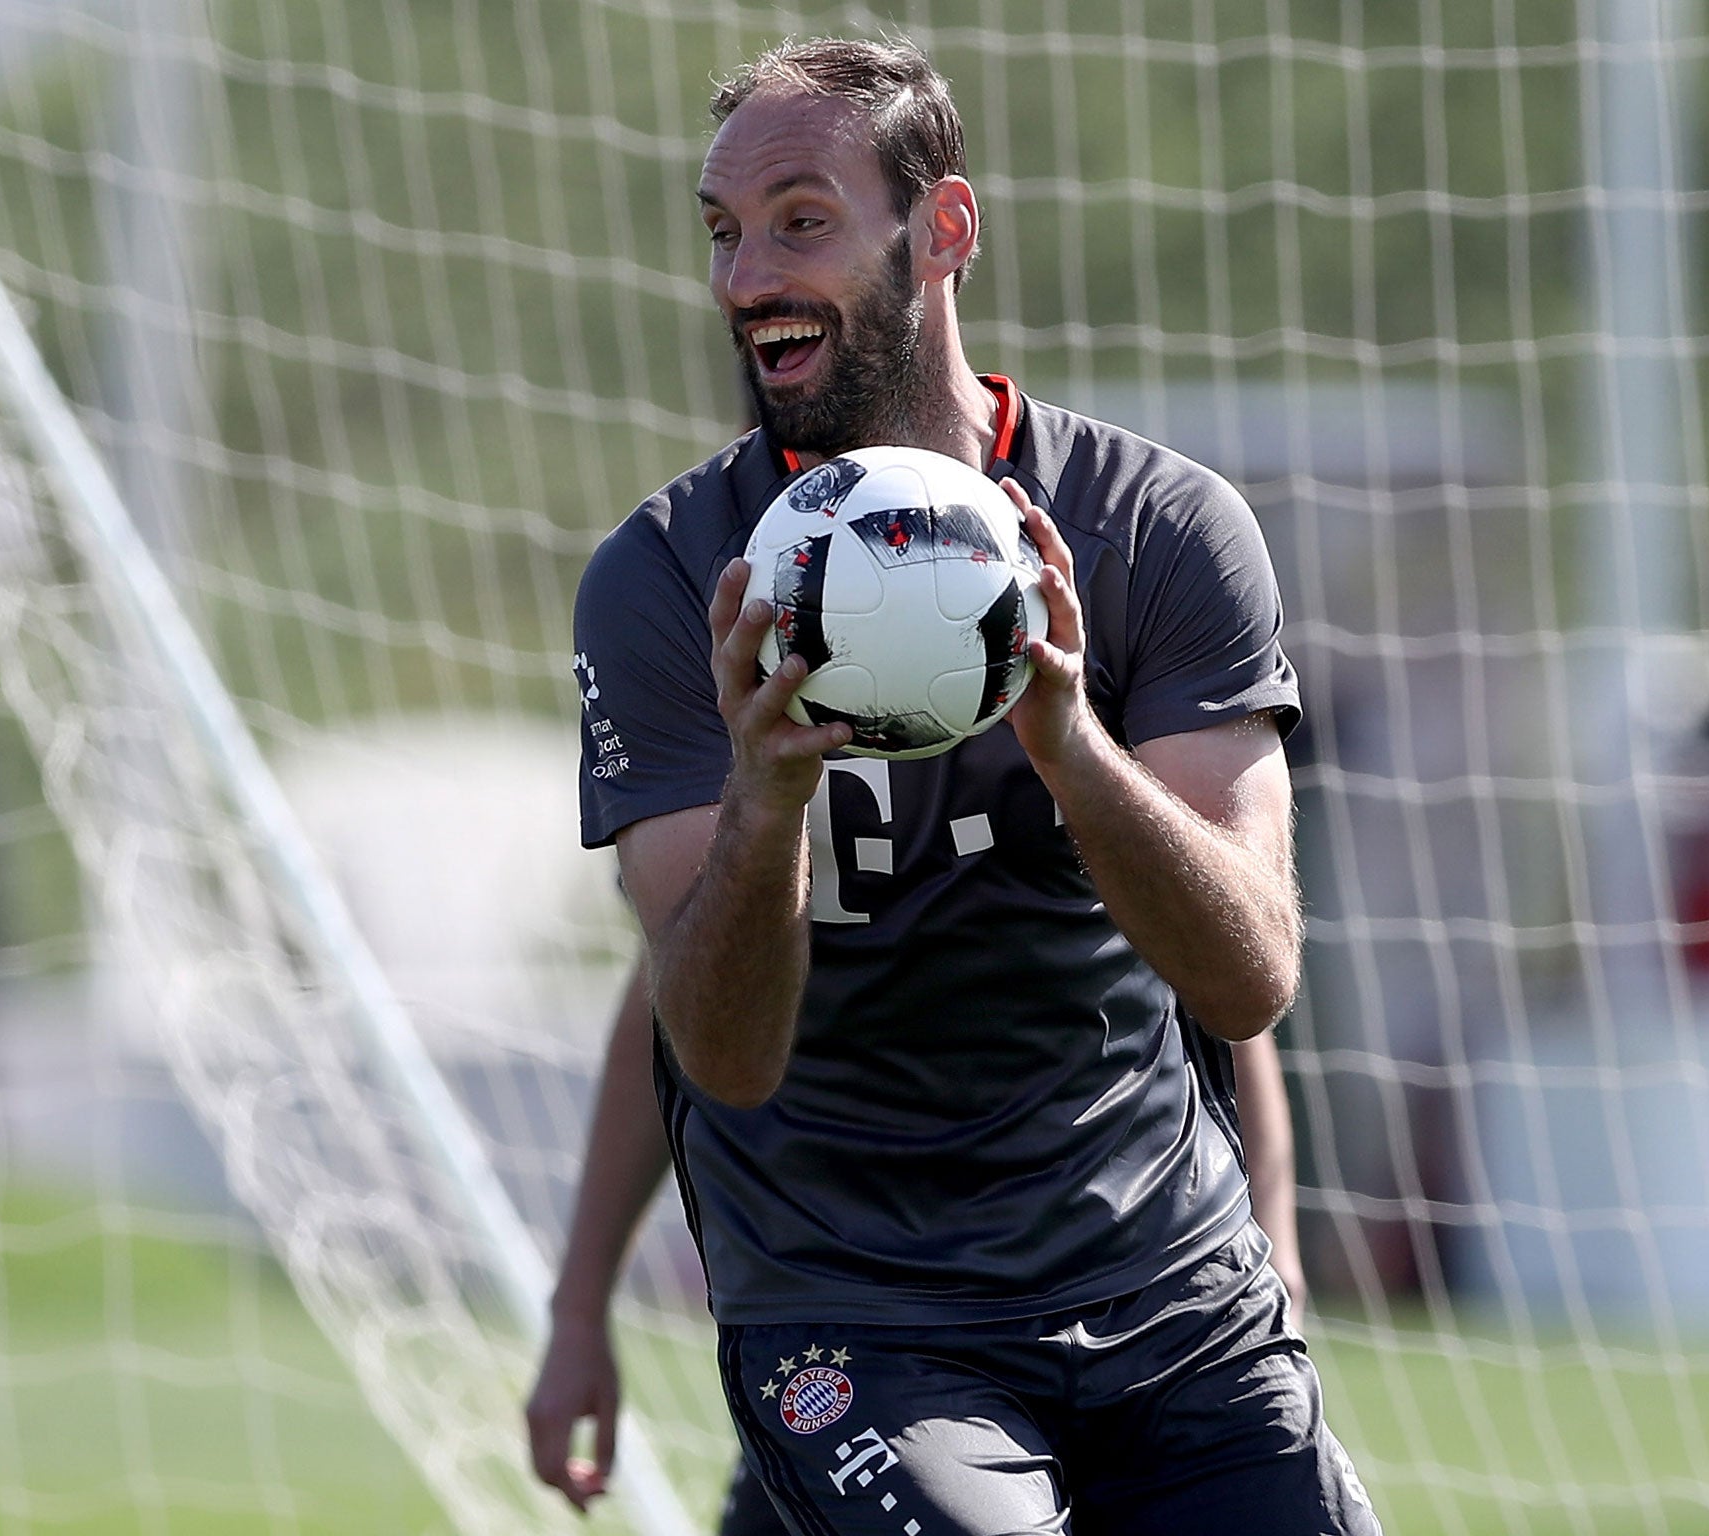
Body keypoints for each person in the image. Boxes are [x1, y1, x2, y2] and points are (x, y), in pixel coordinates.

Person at [554, 35, 1378, 1532]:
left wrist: (1070, 743)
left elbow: (1243, 979)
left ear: (942, 230)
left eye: (802, 218)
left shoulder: (1154, 533)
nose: (747, 277)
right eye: (724, 233)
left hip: (1165, 1291)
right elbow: (706, 1043)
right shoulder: (671, 581)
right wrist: (767, 801)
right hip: (861, 1317)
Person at [526, 960, 1313, 1530]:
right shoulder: (732, 756)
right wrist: (580, 1312)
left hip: (1133, 1297)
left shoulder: (1097, 745)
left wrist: (1269, 1249)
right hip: (864, 1319)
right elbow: (673, 988)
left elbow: (1216, 966)